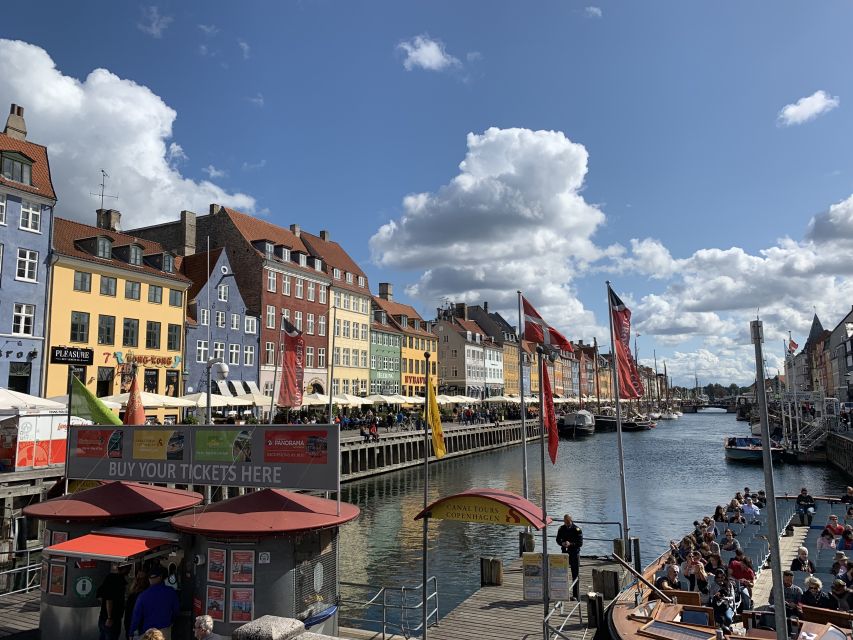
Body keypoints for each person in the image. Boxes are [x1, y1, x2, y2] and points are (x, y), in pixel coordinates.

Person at [129, 566, 180, 640]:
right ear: (160, 577)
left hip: (147, 633)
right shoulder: (171, 592)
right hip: (164, 631)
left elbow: (136, 616)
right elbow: (176, 611)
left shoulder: (143, 595)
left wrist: (131, 633)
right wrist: (171, 621)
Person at [97, 564, 130, 640]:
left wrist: (104, 608)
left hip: (102, 617)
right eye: (129, 568)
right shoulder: (118, 581)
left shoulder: (109, 577)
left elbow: (99, 595)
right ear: (124, 569)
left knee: (103, 636)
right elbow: (109, 599)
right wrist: (109, 617)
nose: (130, 570)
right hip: (112, 619)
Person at [556, 514, 583, 599]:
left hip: (574, 554)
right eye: (565, 521)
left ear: (571, 520)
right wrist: (562, 543)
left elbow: (580, 543)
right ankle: (563, 593)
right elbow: (557, 539)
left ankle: (575, 595)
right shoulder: (561, 528)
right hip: (564, 554)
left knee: (575, 574)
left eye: (568, 521)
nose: (566, 523)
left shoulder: (577, 529)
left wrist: (570, 544)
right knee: (562, 574)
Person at [708, 568, 738, 633]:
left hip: (727, 605)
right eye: (718, 577)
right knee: (717, 618)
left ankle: (726, 630)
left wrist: (725, 598)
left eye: (722, 577)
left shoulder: (729, 584)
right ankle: (721, 630)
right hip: (717, 606)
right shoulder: (713, 585)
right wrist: (715, 596)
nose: (720, 579)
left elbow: (732, 598)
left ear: (724, 576)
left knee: (728, 618)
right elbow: (710, 596)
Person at [124, 571, 149, 640]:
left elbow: (129, 614)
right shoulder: (147, 595)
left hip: (134, 626)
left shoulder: (132, 595)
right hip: (142, 627)